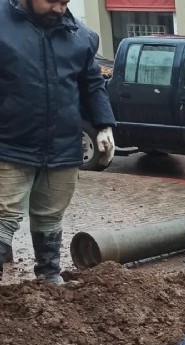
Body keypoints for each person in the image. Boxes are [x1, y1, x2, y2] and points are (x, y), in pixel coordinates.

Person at [0, 0, 116, 283]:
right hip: (10, 143)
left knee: (51, 215)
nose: (59, 9)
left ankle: (49, 278)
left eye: (64, 2)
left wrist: (104, 125)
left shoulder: (81, 36)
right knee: (3, 217)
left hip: (62, 147)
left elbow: (92, 84)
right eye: (51, 1)